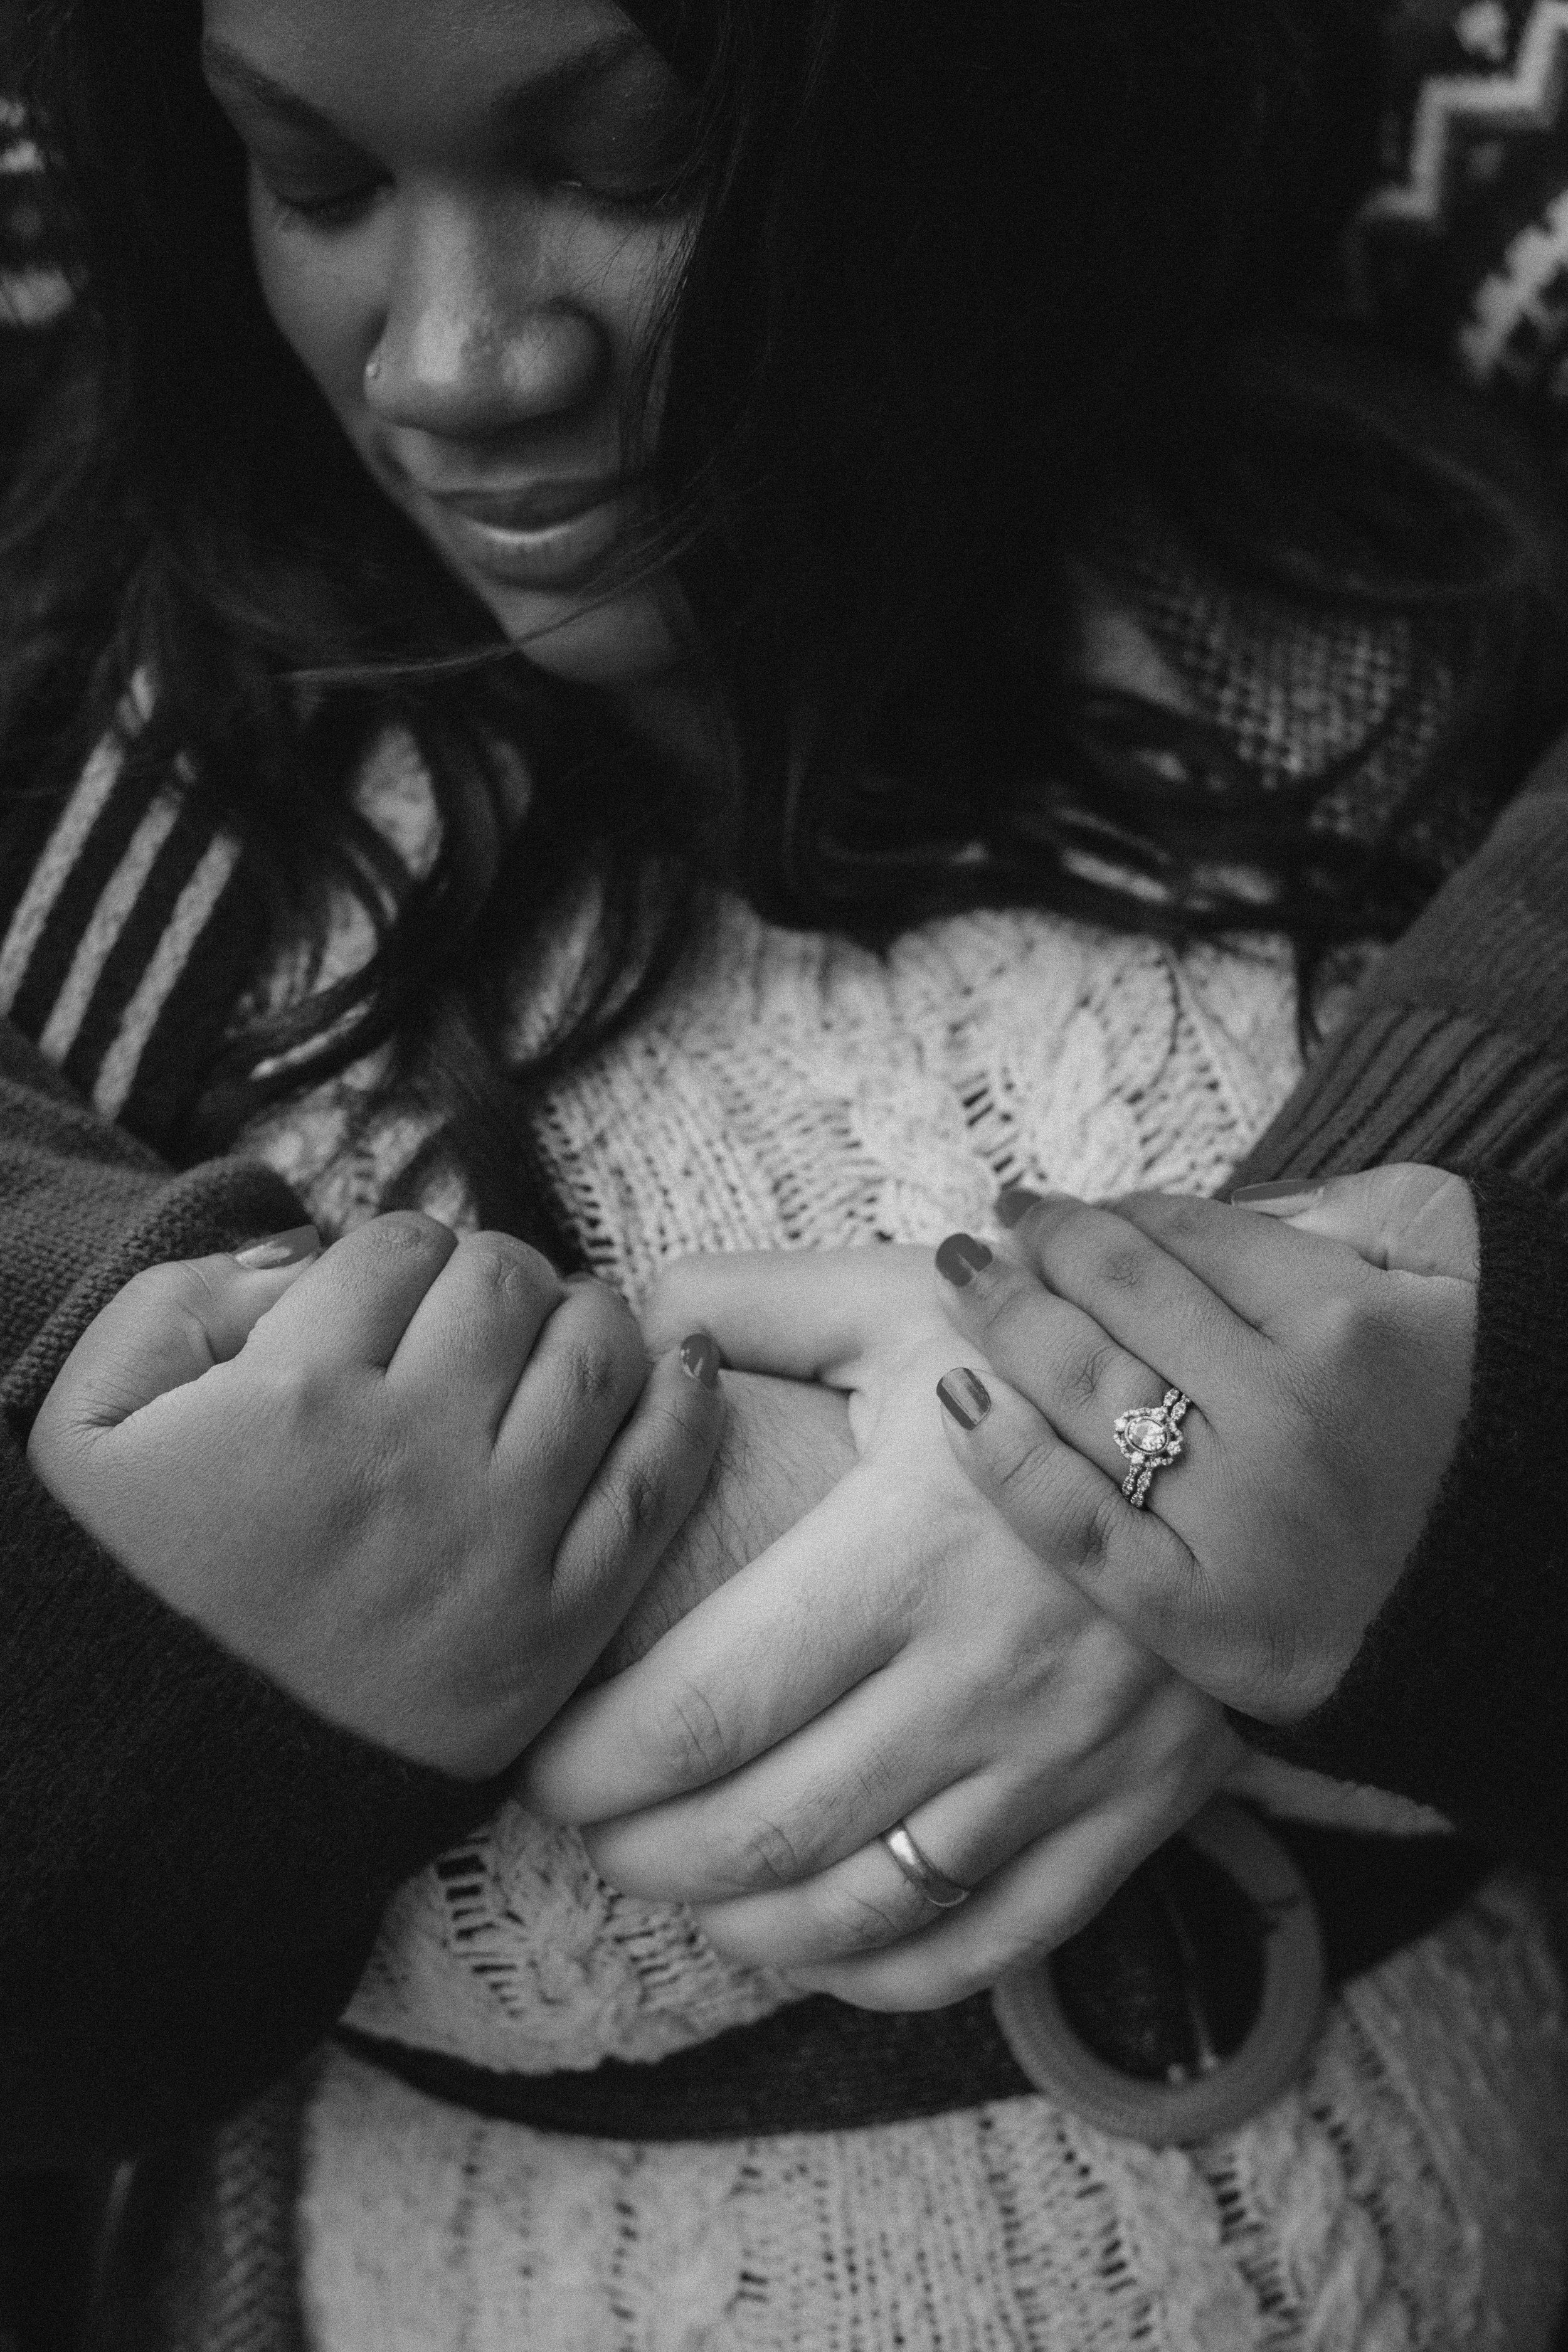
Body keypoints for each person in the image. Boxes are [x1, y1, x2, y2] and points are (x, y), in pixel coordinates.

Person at [2, 0, 1568, 2343]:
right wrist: (113, 1688)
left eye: (633, 158)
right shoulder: (109, 875)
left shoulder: (1390, 644)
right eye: (312, 184)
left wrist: (1460, 1470)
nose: (457, 356)